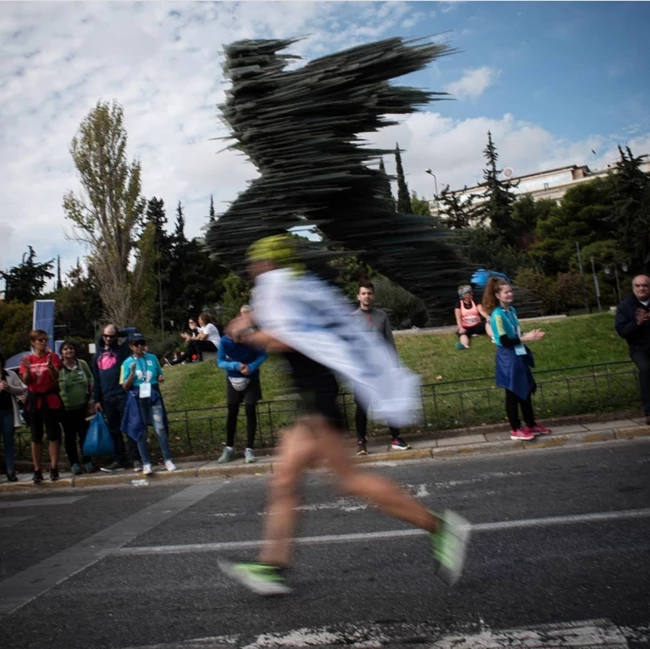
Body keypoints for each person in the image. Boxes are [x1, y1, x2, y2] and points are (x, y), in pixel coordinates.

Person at [218, 234, 469, 596]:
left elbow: (286, 338)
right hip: (310, 400)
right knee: (286, 480)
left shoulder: (290, 293)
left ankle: (440, 527)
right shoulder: (293, 291)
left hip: (318, 401)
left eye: (257, 262)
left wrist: (248, 334)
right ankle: (274, 565)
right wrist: (250, 320)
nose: (253, 269)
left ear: (271, 263)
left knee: (349, 480)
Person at [482, 277, 551, 441]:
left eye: (511, 291)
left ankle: (530, 424)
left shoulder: (511, 311)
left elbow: (516, 334)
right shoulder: (497, 315)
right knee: (512, 392)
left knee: (525, 389)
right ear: (498, 295)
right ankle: (515, 429)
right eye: (506, 292)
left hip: (517, 353)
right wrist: (527, 339)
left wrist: (528, 335)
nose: (510, 294)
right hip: (507, 356)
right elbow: (504, 340)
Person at [351, 281, 411, 455]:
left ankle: (396, 438)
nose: (367, 296)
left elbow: (389, 343)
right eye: (363, 293)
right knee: (362, 407)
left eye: (369, 293)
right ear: (358, 296)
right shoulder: (351, 319)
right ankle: (361, 442)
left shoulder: (381, 316)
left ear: (373, 296)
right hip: (362, 372)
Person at [217, 305, 268, 464]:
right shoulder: (225, 342)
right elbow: (220, 361)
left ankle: (249, 449)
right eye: (236, 337)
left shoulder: (251, 339)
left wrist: (251, 367)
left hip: (251, 378)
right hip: (233, 378)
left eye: (241, 336)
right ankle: (229, 448)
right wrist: (235, 366)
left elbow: (263, 355)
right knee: (232, 412)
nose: (239, 339)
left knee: (250, 410)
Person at [120, 333, 176, 476]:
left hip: (153, 395)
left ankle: (167, 459)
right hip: (137, 397)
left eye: (142, 343)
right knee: (141, 431)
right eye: (136, 344)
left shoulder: (152, 358)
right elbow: (124, 387)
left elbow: (159, 374)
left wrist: (160, 377)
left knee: (160, 428)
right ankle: (146, 462)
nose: (140, 346)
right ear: (131, 346)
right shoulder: (126, 363)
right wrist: (132, 374)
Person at [92, 324, 143, 473]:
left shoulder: (122, 350)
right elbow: (97, 380)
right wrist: (97, 400)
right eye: (106, 336)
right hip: (107, 397)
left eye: (111, 336)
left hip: (122, 394)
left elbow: (135, 332)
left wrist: (119, 332)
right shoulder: (97, 355)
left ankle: (136, 458)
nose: (108, 338)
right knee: (114, 430)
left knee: (130, 427)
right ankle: (120, 459)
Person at [19, 330, 64, 483]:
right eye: (40, 340)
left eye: (45, 339)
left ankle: (53, 467)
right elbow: (26, 381)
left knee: (53, 434)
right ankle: (37, 469)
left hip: (50, 397)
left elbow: (56, 377)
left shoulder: (53, 357)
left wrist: (51, 367)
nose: (43, 342)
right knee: (35, 436)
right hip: (35, 398)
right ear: (33, 342)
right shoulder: (28, 359)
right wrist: (26, 370)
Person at [614, 274, 650, 424]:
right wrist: (637, 322)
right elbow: (622, 331)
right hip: (639, 348)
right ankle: (649, 411)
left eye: (645, 285)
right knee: (647, 370)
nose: (641, 288)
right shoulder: (625, 306)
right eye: (638, 285)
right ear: (633, 287)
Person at [58, 341, 95, 475]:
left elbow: (91, 377)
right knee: (70, 437)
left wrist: (91, 389)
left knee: (84, 435)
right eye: (65, 349)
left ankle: (87, 461)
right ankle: (74, 463)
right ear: (61, 352)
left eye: (71, 348)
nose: (68, 351)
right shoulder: (59, 367)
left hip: (83, 406)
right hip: (66, 408)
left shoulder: (82, 364)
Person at [0, 353, 27, 482]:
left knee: (9, 442)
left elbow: (22, 389)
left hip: (8, 411)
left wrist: (9, 387)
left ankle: (10, 470)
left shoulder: (10, 375)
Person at [454, 284, 493, 350]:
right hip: (466, 327)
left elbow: (481, 311)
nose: (472, 293)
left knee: (487, 323)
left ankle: (494, 337)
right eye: (469, 292)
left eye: (471, 291)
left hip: (476, 325)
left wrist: (487, 317)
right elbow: (458, 317)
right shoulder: (459, 304)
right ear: (464, 295)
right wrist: (460, 327)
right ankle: (465, 345)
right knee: (462, 334)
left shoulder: (475, 301)